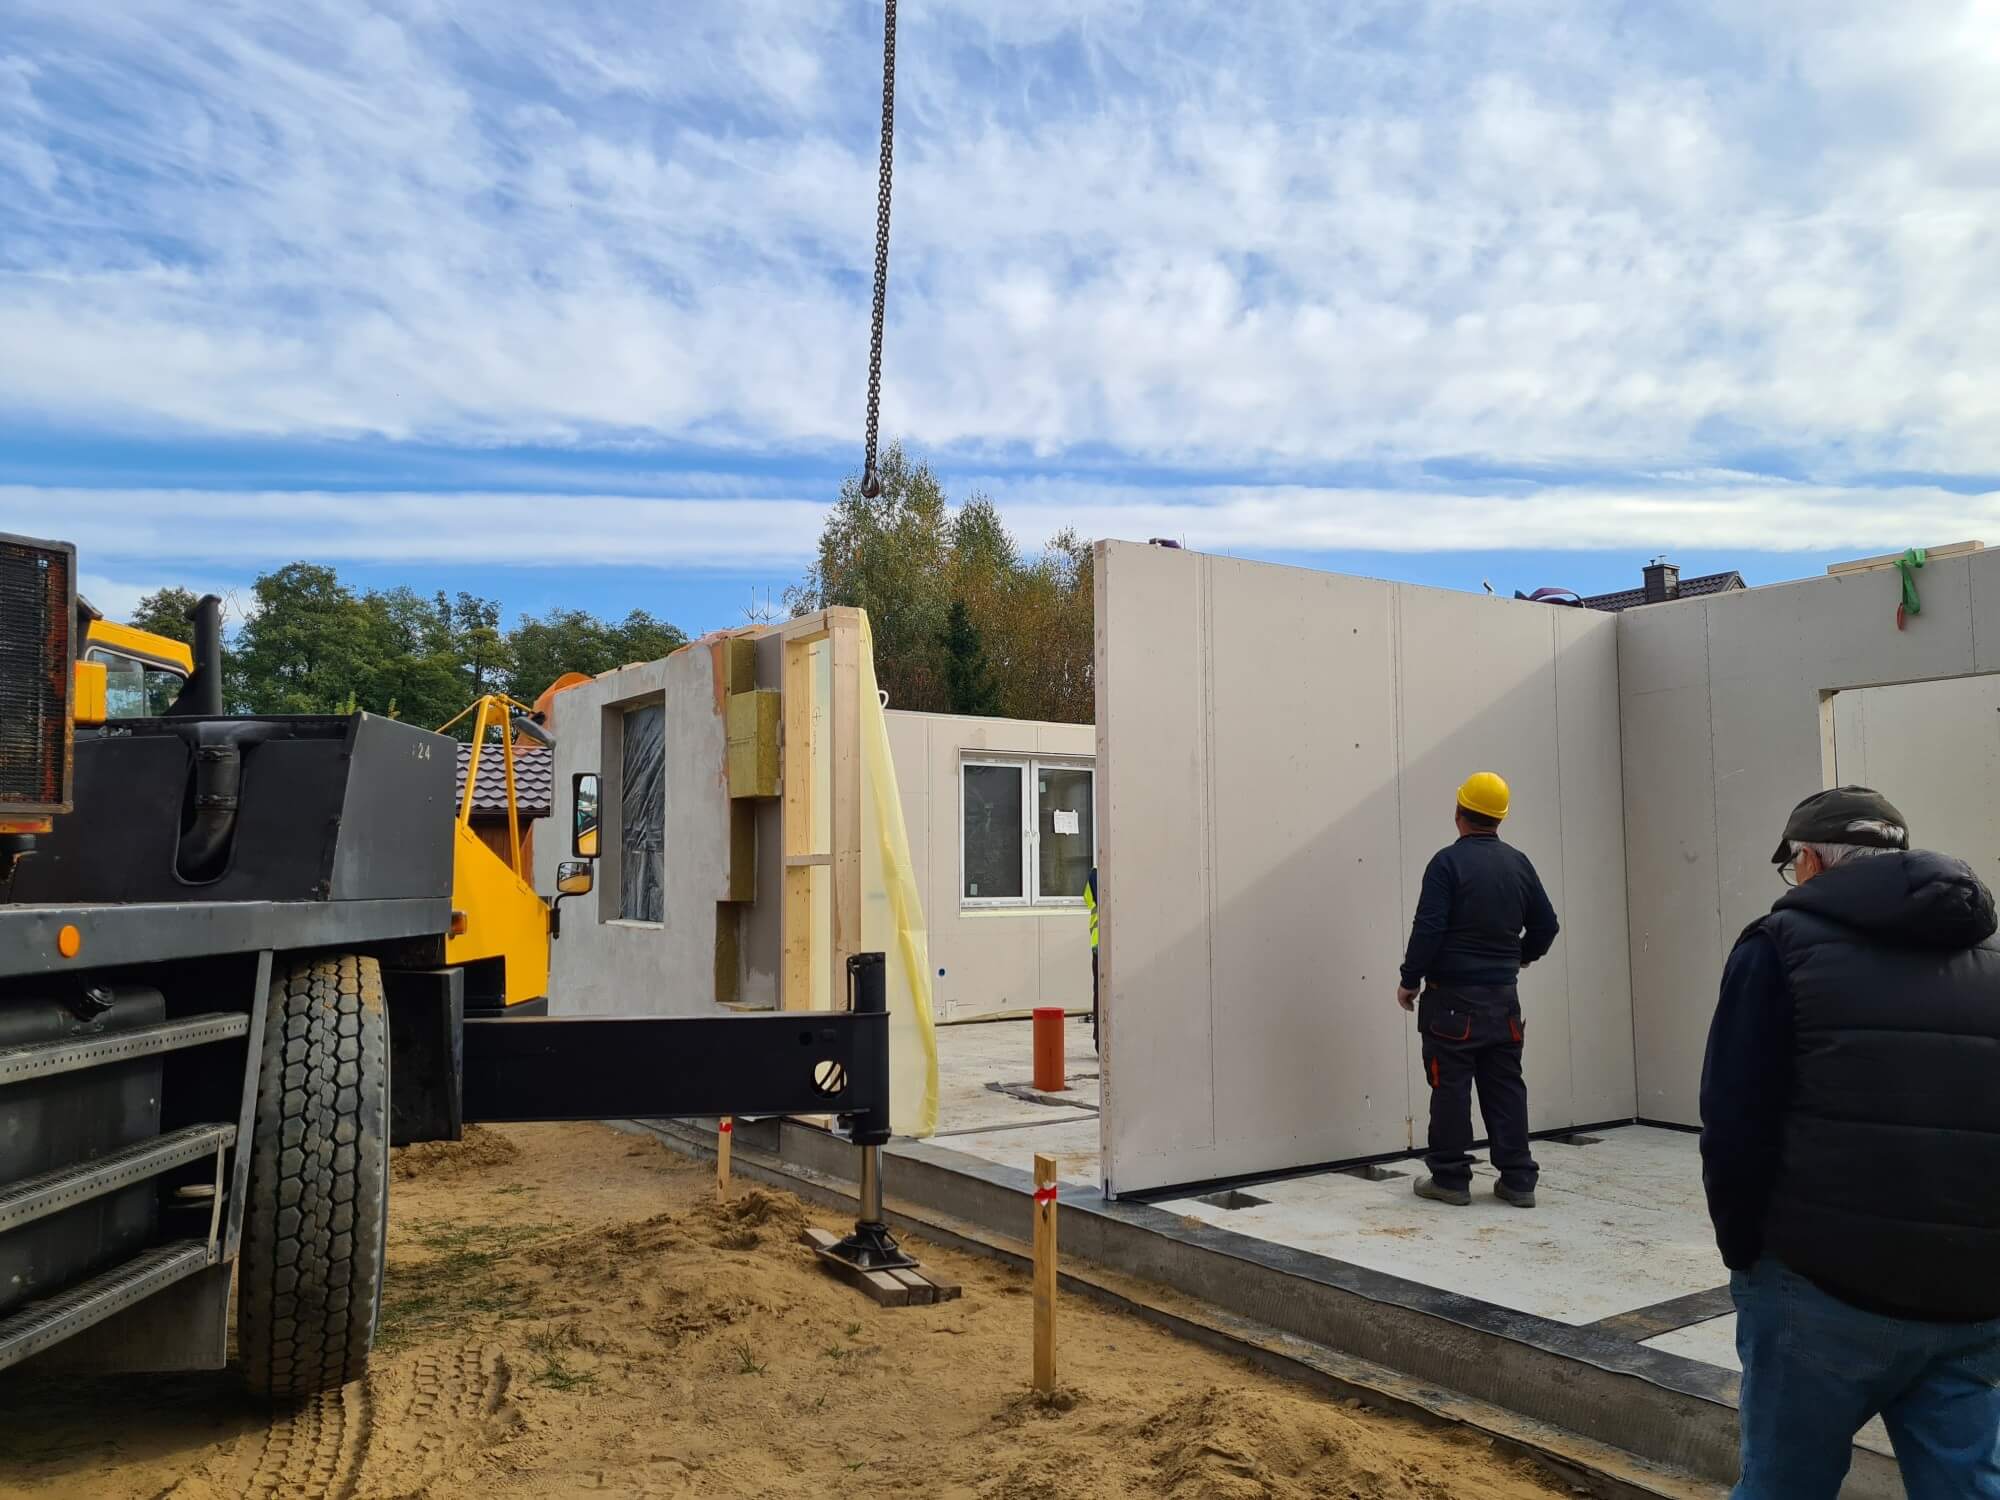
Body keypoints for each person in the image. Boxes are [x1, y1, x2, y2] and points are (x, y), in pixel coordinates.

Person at [1701, 786, 2000, 1498]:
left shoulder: (1776, 949)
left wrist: (1745, 1255)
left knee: (1784, 1485)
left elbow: (1735, 1124)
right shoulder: (1990, 958)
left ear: (1809, 861)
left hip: (1822, 1290)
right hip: (1970, 1298)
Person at [1398, 772, 1560, 1209]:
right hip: (1503, 1002)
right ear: (1500, 818)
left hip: (1452, 1002)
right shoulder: (1518, 863)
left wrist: (1409, 979)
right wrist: (1520, 956)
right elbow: (1547, 925)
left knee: (1450, 1088)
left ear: (1459, 813)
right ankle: (1518, 1180)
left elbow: (1429, 928)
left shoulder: (1446, 864)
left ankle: (1450, 1179)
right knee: (1506, 1087)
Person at [1084, 864, 1099, 1052]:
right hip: (1106, 946)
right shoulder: (1099, 876)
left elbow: (1088, 899)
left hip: (1098, 947)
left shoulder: (1094, 876)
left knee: (1099, 993)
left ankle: (1100, 1039)